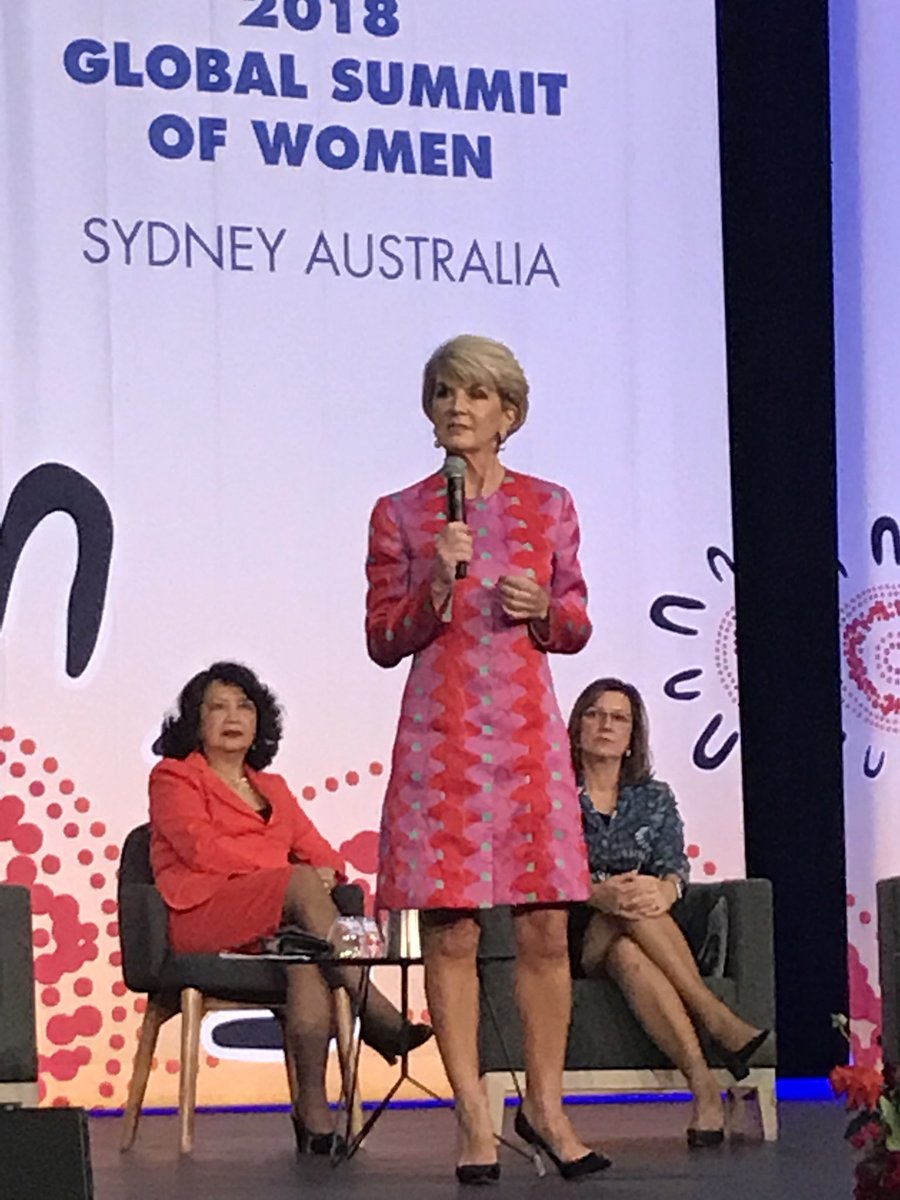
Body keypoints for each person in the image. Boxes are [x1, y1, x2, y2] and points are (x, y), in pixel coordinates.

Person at [365, 334, 609, 1183]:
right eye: (444, 393)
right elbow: (382, 639)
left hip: (528, 743)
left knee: (545, 925)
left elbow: (575, 624)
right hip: (442, 741)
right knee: (452, 929)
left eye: (473, 394)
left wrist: (545, 608)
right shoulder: (400, 514)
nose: (456, 408)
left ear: (508, 414)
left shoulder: (550, 505)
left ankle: (546, 1107)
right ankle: (473, 1114)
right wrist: (435, 581)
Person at [148, 661, 431, 1156]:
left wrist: (315, 876)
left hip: (272, 922)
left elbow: (328, 858)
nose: (232, 717)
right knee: (299, 883)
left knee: (308, 963)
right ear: (195, 720)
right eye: (217, 707)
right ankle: (376, 1011)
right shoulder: (174, 777)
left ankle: (313, 1114)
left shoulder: (273, 789)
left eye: (244, 706)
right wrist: (289, 875)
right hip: (203, 915)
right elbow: (202, 849)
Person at [567, 677, 770, 1147]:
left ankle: (704, 1091)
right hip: (575, 931)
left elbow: (674, 865)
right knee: (624, 901)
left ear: (632, 736)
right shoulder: (551, 794)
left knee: (629, 948)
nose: (605, 725)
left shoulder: (654, 797)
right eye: (594, 714)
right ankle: (714, 1016)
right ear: (576, 727)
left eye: (619, 718)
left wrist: (665, 888)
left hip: (637, 932)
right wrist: (596, 894)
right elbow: (542, 869)